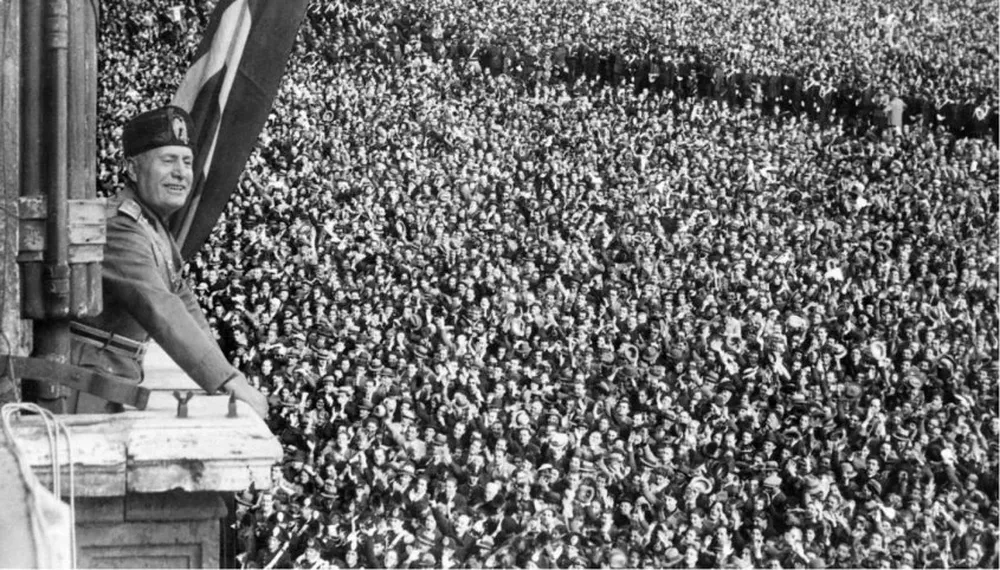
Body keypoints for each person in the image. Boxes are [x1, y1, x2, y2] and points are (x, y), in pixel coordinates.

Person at [69, 105, 267, 417]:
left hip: (107, 377)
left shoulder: (151, 224)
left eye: (187, 162)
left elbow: (182, 298)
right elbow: (159, 305)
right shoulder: (119, 226)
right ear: (132, 169)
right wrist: (225, 379)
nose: (180, 172)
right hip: (83, 386)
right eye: (168, 160)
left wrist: (228, 373)